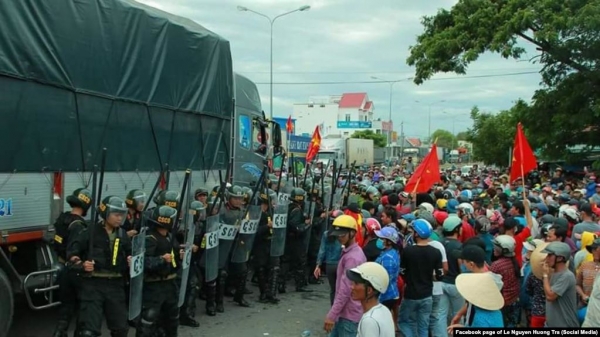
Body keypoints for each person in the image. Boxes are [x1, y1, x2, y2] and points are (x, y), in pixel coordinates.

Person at [67, 196, 132, 337]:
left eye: (122, 215)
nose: (119, 218)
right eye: (116, 214)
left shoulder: (123, 234)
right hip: (93, 285)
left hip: (116, 285)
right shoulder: (89, 232)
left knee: (121, 329)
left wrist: (131, 260)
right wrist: (82, 265)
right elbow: (72, 254)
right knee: (88, 332)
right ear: (105, 213)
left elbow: (131, 253)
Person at [52, 188, 93, 337]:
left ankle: (59, 332)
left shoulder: (62, 218)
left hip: (63, 268)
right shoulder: (79, 225)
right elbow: (76, 249)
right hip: (76, 270)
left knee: (66, 306)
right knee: (83, 306)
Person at [136, 206, 181, 337]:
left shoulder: (170, 236)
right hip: (154, 285)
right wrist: (161, 260)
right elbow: (143, 262)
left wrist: (180, 255)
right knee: (149, 319)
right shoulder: (150, 238)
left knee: (172, 318)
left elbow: (175, 257)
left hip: (171, 283)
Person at [398, 219, 443, 337]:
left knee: (404, 322)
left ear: (417, 234)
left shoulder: (408, 251)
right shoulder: (436, 252)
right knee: (423, 326)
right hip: (427, 294)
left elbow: (402, 271)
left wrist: (410, 277)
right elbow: (440, 275)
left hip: (411, 294)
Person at [324, 215, 367, 337]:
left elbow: (345, 290)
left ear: (352, 233)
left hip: (349, 316)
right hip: (344, 313)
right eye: (337, 235)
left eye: (342, 235)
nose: (339, 238)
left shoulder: (353, 258)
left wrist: (332, 315)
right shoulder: (351, 252)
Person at [346, 262, 396, 337]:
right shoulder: (384, 310)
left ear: (369, 290)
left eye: (356, 283)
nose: (352, 287)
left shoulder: (369, 320)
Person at [542, 241, 579, 327]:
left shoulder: (567, 276)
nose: (546, 258)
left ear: (559, 258)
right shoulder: (554, 273)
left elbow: (550, 296)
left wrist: (545, 275)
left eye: (550, 255)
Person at [373, 226, 400, 332]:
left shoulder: (388, 258)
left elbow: (385, 279)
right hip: (389, 293)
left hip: (386, 295)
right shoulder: (389, 253)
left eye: (382, 238)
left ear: (389, 241)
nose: (379, 240)